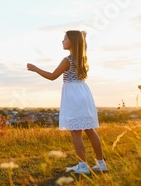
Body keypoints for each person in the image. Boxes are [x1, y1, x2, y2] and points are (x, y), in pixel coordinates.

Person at [26, 30, 107, 174]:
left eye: (65, 39)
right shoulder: (83, 57)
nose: (62, 41)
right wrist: (83, 37)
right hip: (84, 92)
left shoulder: (67, 60)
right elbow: (84, 46)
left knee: (76, 132)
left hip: (73, 96)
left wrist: (35, 68)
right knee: (90, 130)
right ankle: (101, 163)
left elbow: (52, 76)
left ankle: (83, 166)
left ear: (72, 42)